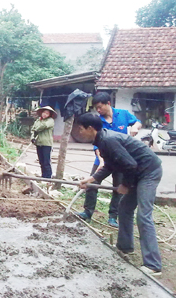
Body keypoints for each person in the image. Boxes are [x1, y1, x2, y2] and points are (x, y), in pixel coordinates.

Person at [77, 113, 162, 276]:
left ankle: (153, 265)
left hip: (149, 171)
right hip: (138, 171)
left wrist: (125, 185)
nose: (79, 132)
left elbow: (130, 165)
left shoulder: (108, 140)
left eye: (81, 129)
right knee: (124, 208)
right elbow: (110, 165)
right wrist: (92, 179)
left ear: (90, 128)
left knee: (143, 215)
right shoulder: (102, 141)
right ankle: (124, 247)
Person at [77, 92, 142, 228]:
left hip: (121, 159)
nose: (99, 110)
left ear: (108, 103)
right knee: (92, 183)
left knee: (119, 187)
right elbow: (97, 143)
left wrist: (136, 127)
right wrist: (101, 160)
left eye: (100, 107)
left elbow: (137, 122)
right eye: (96, 108)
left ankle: (113, 217)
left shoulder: (123, 114)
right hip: (102, 158)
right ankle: (88, 212)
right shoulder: (97, 121)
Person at [30, 106, 56, 179]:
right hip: (38, 143)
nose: (45, 114)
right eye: (44, 112)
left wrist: (36, 129)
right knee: (41, 161)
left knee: (46, 162)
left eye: (47, 113)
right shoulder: (38, 120)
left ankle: (48, 177)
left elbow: (43, 126)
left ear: (50, 115)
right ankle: (43, 176)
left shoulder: (50, 120)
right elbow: (33, 130)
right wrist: (32, 138)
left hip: (46, 144)